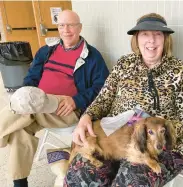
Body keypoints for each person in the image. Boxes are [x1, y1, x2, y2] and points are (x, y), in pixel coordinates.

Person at [65, 13, 183, 187]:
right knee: (80, 175)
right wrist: (87, 117)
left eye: (157, 34)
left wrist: (164, 130)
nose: (151, 40)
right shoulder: (124, 64)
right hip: (117, 138)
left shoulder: (178, 70)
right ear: (136, 39)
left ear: (165, 39)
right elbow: (104, 98)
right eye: (145, 34)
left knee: (131, 181)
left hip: (160, 146)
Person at [0, 10, 109, 187]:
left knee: (26, 105)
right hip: (38, 105)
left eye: (71, 25)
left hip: (66, 109)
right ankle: (20, 184)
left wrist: (77, 100)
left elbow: (102, 88)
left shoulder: (92, 56)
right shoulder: (46, 51)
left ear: (79, 27)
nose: (66, 30)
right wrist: (28, 93)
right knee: (21, 129)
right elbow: (30, 79)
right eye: (61, 25)